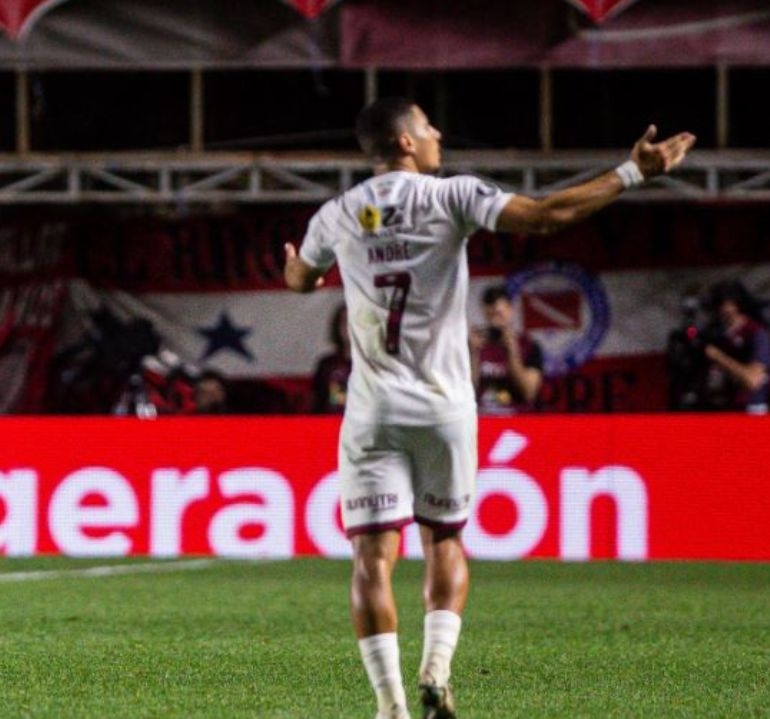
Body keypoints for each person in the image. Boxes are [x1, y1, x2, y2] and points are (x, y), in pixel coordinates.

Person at [283, 97, 694, 719]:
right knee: (445, 540)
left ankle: (390, 707)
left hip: (373, 412)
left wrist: (300, 269)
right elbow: (548, 215)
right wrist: (633, 172)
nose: (437, 134)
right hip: (445, 409)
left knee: (371, 558)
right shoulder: (452, 196)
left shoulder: (337, 214)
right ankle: (436, 668)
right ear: (404, 142)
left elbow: (299, 278)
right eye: (427, 126)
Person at [470, 285, 544, 414]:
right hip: (484, 417)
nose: (495, 321)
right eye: (490, 315)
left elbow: (528, 392)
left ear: (510, 309)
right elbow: (468, 391)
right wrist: (473, 354)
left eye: (499, 314)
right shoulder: (476, 345)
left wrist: (512, 350)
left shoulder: (530, 346)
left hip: (518, 418)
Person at [702, 280, 770, 413]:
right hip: (723, 409)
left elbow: (753, 380)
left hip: (751, 409)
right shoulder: (717, 336)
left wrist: (719, 357)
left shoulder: (755, 334)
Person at [312, 305, 353, 414]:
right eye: (345, 322)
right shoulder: (327, 365)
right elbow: (317, 403)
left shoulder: (377, 364)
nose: (349, 327)